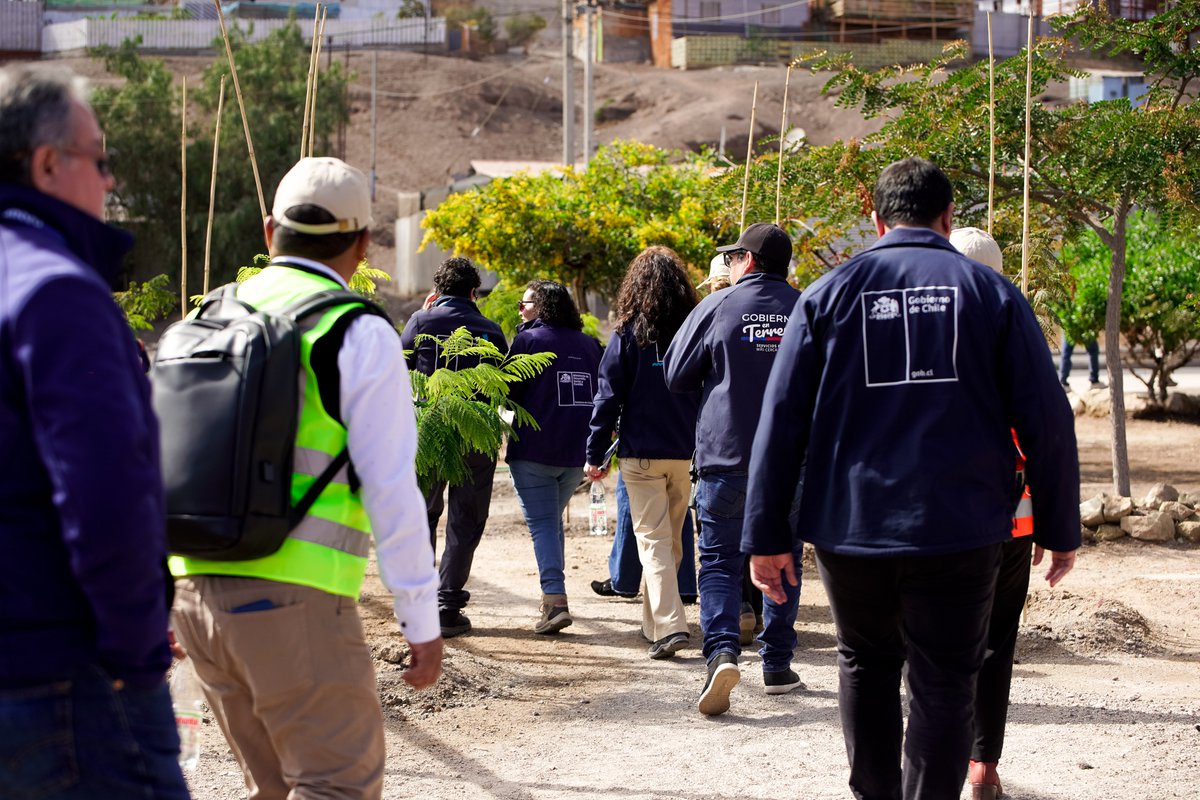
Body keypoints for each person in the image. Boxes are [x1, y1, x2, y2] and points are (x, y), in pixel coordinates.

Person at [744, 158, 1080, 800]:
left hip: (852, 526)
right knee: (946, 678)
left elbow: (780, 421)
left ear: (875, 220)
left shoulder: (827, 295)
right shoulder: (992, 294)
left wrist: (766, 536)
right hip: (962, 527)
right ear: (948, 218)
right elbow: (1047, 419)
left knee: (865, 663)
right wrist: (1060, 527)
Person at [170, 157, 443, 799]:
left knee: (271, 788)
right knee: (336, 785)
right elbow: (390, 486)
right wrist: (420, 618)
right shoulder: (354, 330)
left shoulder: (205, 318)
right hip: (293, 600)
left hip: (193, 598)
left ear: (269, 232)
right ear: (362, 244)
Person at [0, 64, 190, 798]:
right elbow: (106, 495)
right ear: (48, 163)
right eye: (100, 159)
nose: (109, 183)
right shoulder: (58, 293)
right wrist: (137, 655)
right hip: (62, 677)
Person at [664, 223, 804, 716]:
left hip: (726, 457)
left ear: (747, 260)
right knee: (785, 558)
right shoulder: (808, 308)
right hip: (790, 462)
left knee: (720, 561)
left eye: (732, 257)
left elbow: (675, 374)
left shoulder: (717, 306)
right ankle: (777, 665)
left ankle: (722, 654)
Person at [949, 226, 1044, 800]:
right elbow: (1042, 427)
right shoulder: (1019, 326)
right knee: (996, 639)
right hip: (1013, 515)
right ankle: (982, 765)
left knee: (934, 636)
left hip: (941, 516)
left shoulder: (922, 327)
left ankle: (936, 756)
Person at [585, 246, 700, 660]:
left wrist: (595, 452)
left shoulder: (628, 333)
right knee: (671, 543)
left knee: (653, 541)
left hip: (642, 456)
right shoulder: (695, 328)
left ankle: (670, 626)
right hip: (686, 453)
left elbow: (607, 397)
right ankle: (654, 626)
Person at [401, 256, 508, 637]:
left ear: (437, 291)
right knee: (466, 519)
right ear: (474, 292)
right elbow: (503, 382)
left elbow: (400, 367)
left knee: (423, 516)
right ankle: (448, 606)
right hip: (476, 435)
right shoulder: (491, 330)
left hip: (429, 433)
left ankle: (420, 602)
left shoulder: (421, 321)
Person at [506, 280, 602, 634]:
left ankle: (555, 600)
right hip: (577, 455)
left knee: (544, 524)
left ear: (541, 306)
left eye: (525, 304)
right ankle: (553, 596)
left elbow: (507, 394)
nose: (521, 310)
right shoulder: (590, 345)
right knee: (551, 521)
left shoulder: (529, 341)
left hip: (534, 451)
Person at [590, 472, 698, 602]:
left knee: (631, 499)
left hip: (643, 462)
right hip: (681, 461)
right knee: (678, 508)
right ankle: (684, 587)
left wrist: (595, 461)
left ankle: (624, 582)